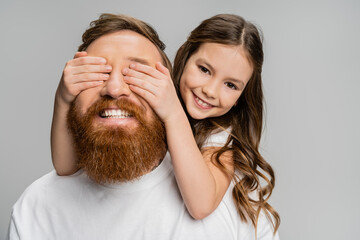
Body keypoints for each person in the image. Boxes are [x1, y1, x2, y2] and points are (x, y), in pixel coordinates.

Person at [7, 14, 279, 239]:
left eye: (231, 85)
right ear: (182, 61)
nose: (209, 90)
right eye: (204, 70)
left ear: (243, 96)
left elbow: (200, 205)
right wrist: (63, 97)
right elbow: (65, 167)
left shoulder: (219, 141)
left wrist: (172, 111)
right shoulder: (37, 207)